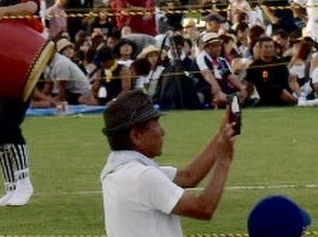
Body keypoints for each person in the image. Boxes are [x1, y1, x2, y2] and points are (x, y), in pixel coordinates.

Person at [100, 89, 237, 237]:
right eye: (156, 124)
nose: (162, 132)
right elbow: (203, 208)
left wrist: (222, 132)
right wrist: (224, 161)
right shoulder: (143, 177)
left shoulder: (119, 171)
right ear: (136, 136)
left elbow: (188, 177)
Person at [0, 0, 45, 206]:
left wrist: (1, 12)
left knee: (8, 126)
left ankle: (24, 184)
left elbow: (31, 8)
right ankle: (11, 188)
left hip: (24, 65)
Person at [245, 37, 300, 106]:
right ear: (260, 48)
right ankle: (296, 102)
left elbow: (287, 80)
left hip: (284, 94)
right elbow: (249, 84)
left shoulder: (280, 63)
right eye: (266, 47)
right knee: (275, 88)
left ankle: (298, 100)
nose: (268, 49)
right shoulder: (254, 66)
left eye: (271, 47)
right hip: (267, 97)